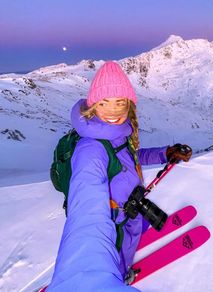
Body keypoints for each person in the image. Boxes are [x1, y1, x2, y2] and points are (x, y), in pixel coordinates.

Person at [47, 61, 192, 291]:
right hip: (113, 223)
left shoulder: (118, 132)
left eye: (120, 102)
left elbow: (132, 157)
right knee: (121, 252)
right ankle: (122, 274)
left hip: (131, 213)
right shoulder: (91, 149)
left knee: (131, 240)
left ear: (129, 104)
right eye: (104, 102)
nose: (113, 110)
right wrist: (87, 276)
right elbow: (87, 213)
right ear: (92, 105)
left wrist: (165, 153)